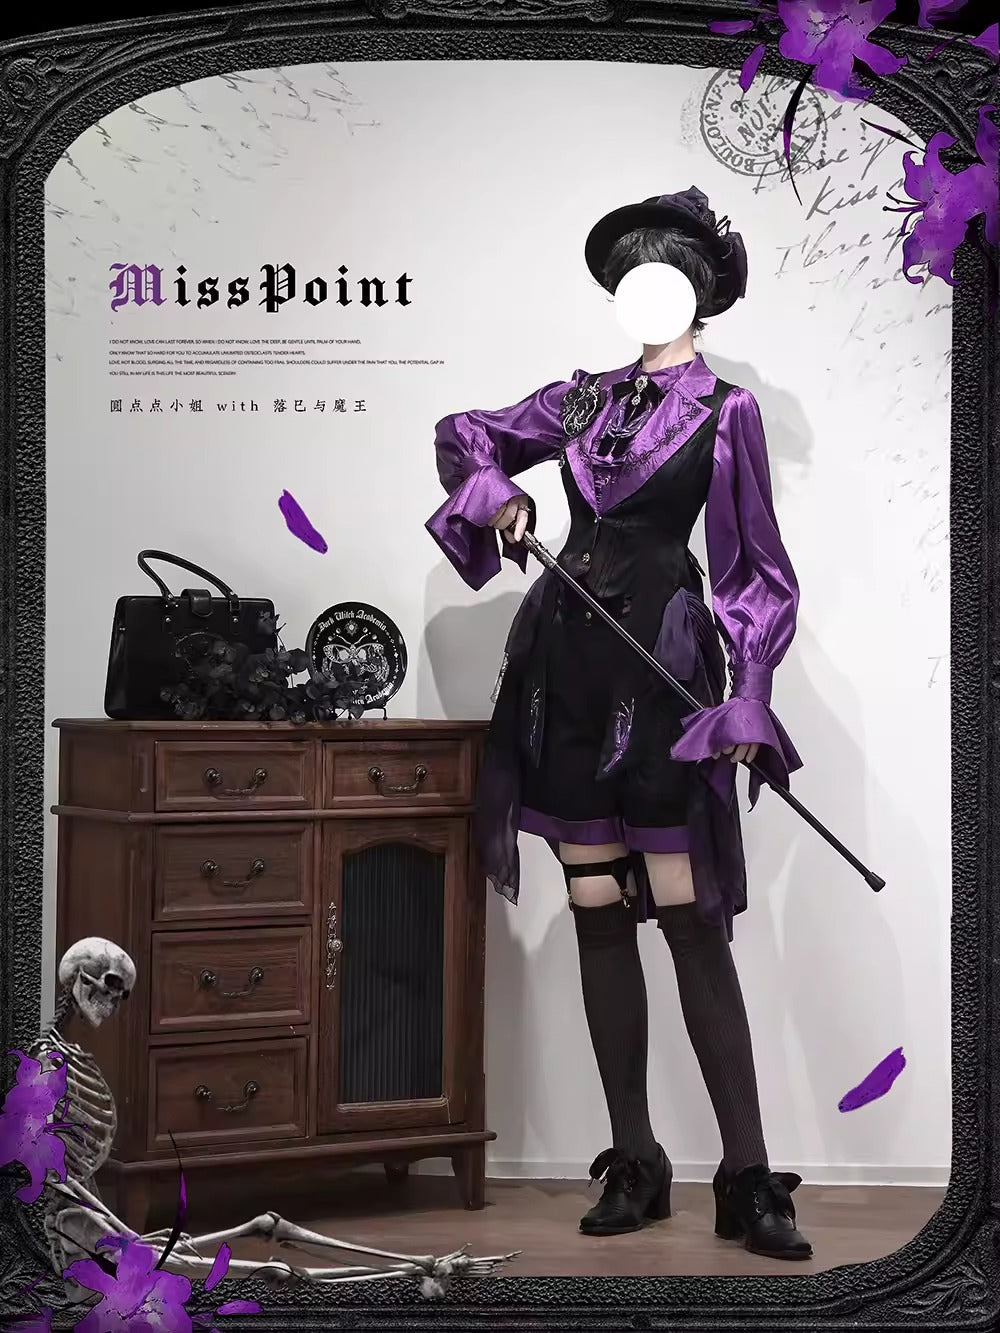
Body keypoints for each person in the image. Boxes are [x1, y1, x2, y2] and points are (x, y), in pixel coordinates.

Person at [425, 187, 812, 1261]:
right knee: (596, 906)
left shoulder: (726, 411)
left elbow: (755, 570)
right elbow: (465, 434)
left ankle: (747, 1177)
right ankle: (635, 1160)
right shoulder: (581, 400)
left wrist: (749, 694)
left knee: (687, 915)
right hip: (565, 671)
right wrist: (500, 496)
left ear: (696, 293)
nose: (646, 293)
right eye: (631, 277)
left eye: (664, 277)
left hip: (664, 673)